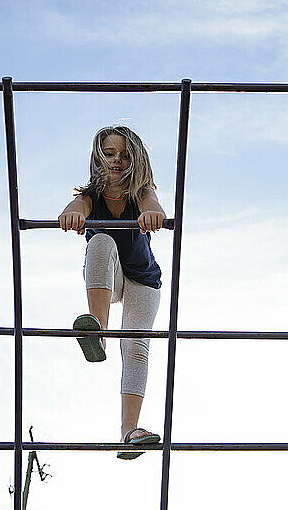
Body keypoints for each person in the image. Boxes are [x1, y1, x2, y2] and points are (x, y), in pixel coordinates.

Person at [58, 125, 167, 460]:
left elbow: (155, 207)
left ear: (134, 159)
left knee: (136, 346)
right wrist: (74, 214)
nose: (117, 160)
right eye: (109, 153)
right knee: (100, 241)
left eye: (124, 154)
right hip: (111, 277)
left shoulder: (141, 192)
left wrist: (153, 214)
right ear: (98, 157)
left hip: (142, 281)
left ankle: (129, 430)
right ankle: (97, 329)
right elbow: (72, 209)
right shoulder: (90, 195)